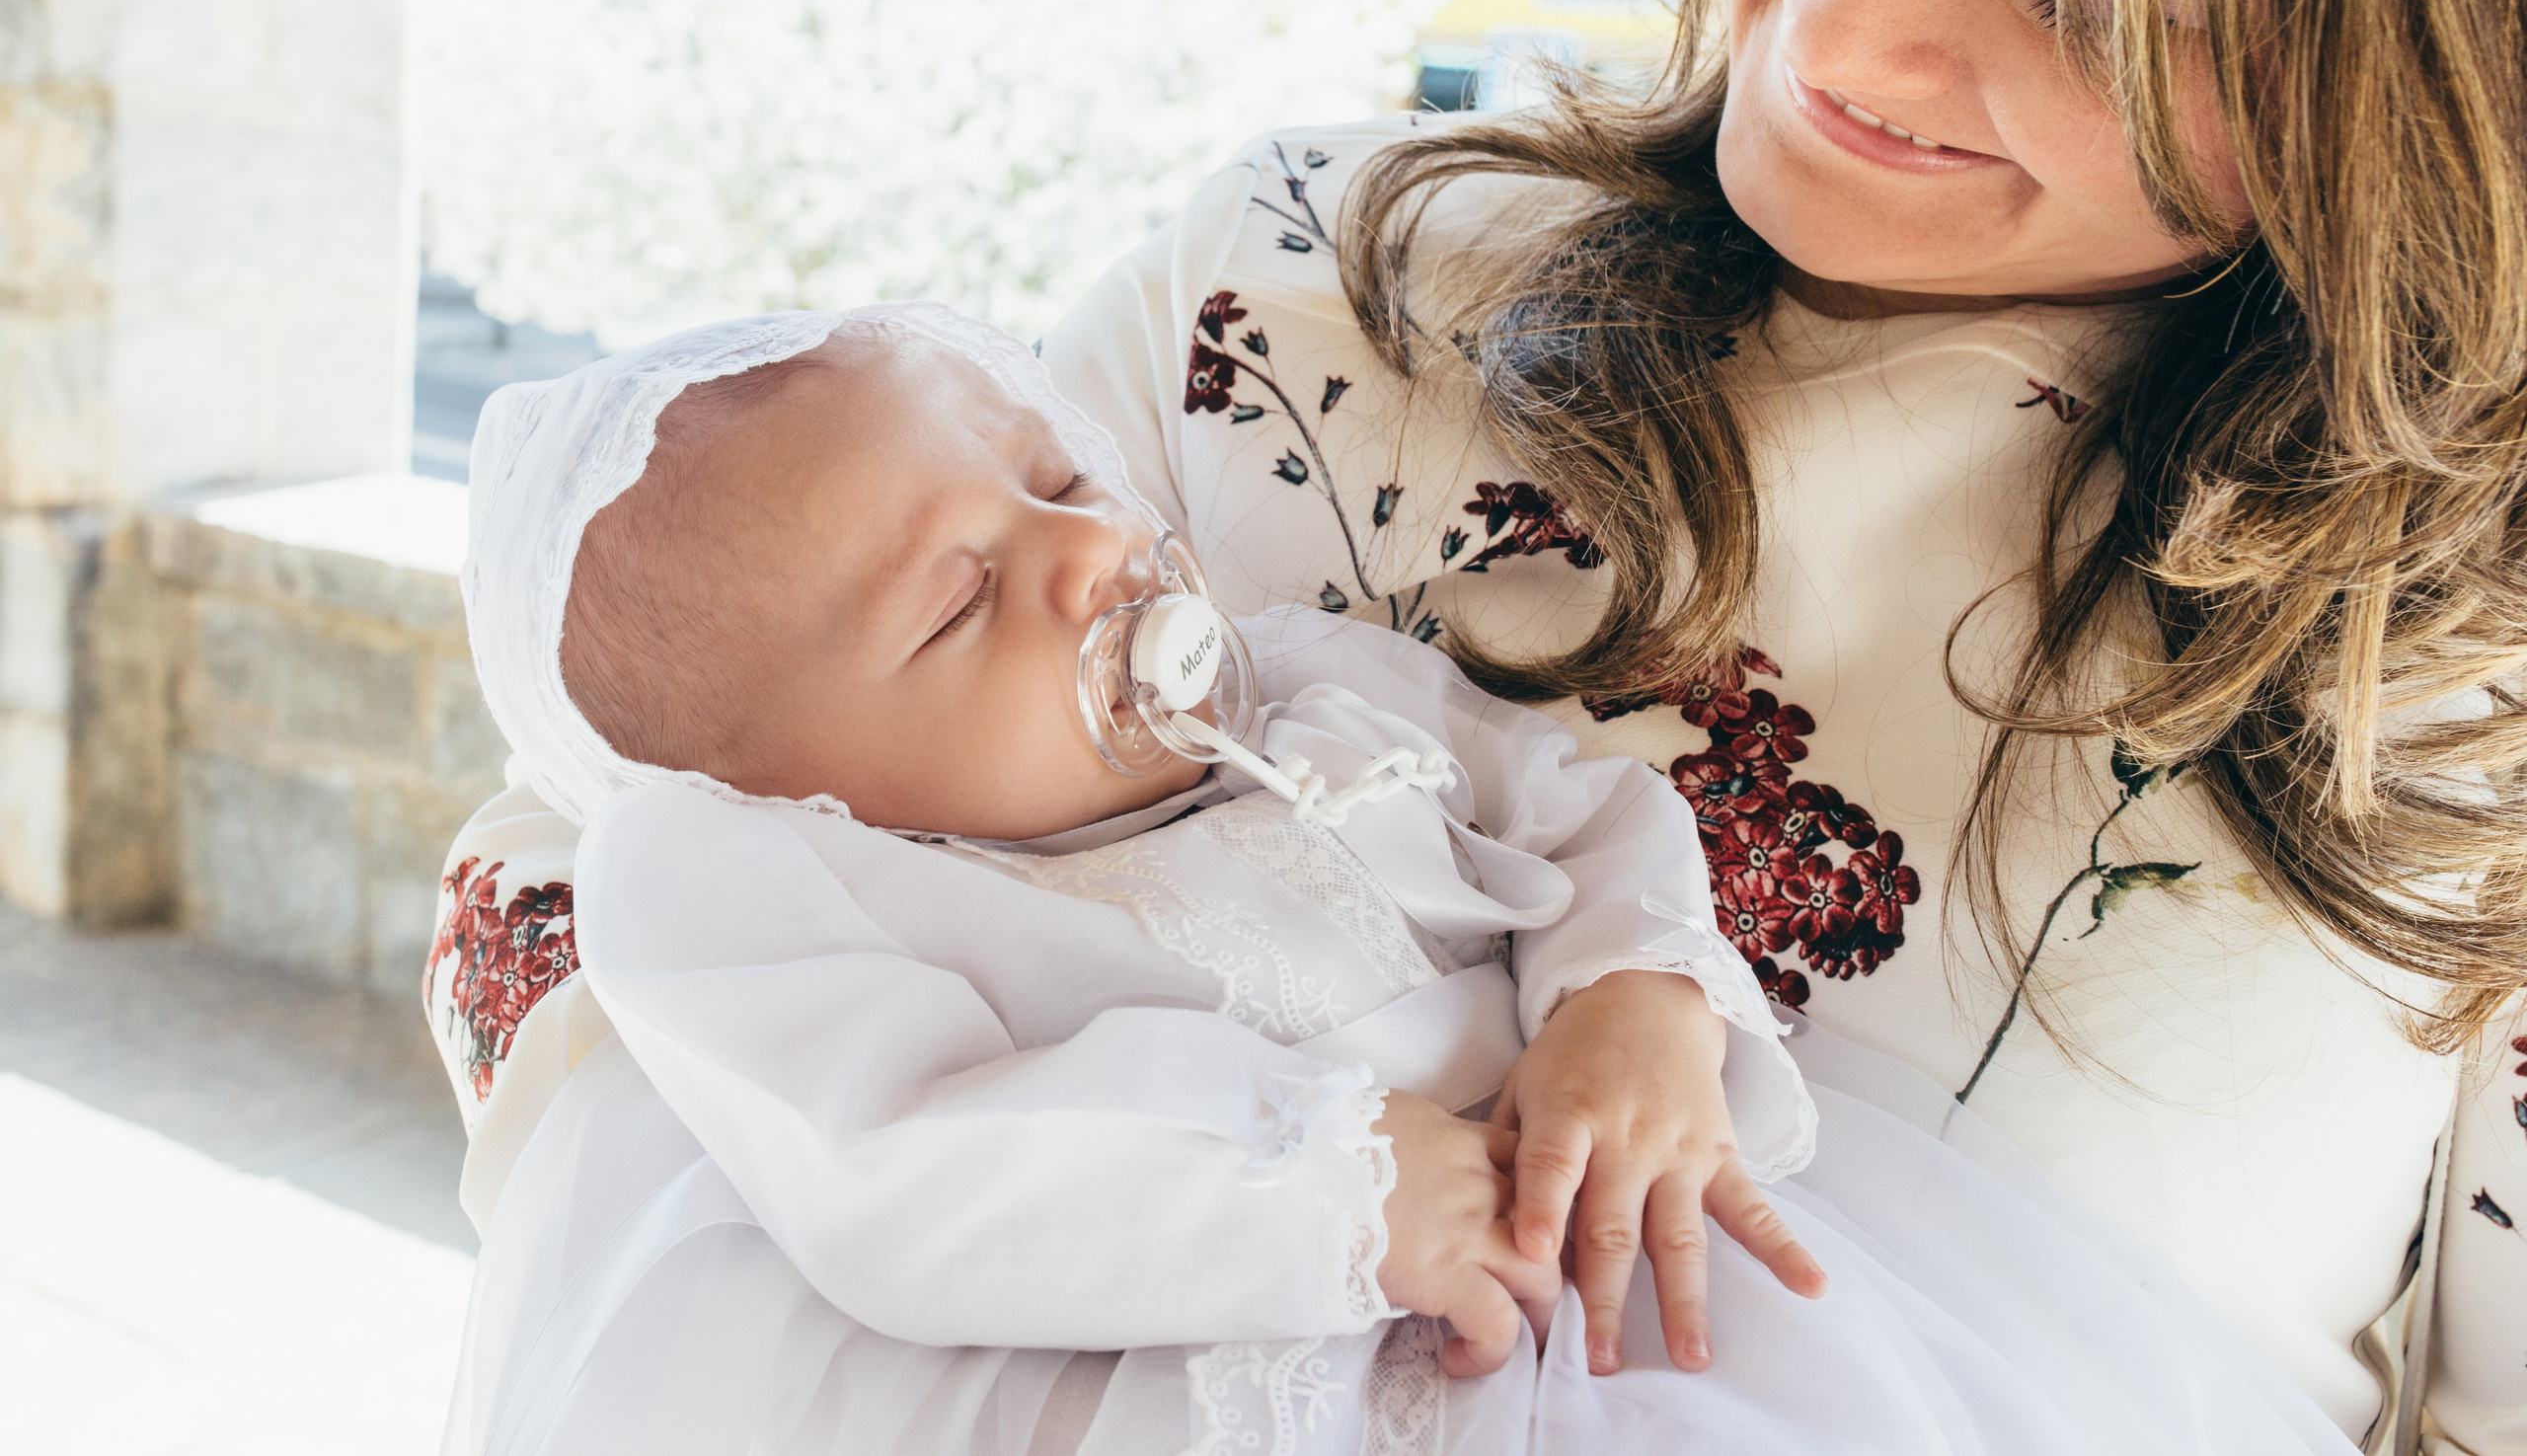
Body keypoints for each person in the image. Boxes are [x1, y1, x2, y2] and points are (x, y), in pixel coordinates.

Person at [432, 0, 2525, 1450]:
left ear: (2431, 13)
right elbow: (605, 819)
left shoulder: (2465, 669)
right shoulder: (1293, 291)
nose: (1841, 33)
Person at [434, 302, 2351, 1456]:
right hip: (1236, 1354)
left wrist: (1626, 1000)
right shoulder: (780, 895)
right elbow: (902, 1165)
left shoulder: (1312, 684)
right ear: (781, 790)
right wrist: (1335, 1186)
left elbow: (1570, 803)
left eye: (1050, 473)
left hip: (1577, 1297)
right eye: (958, 598)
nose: (1083, 554)